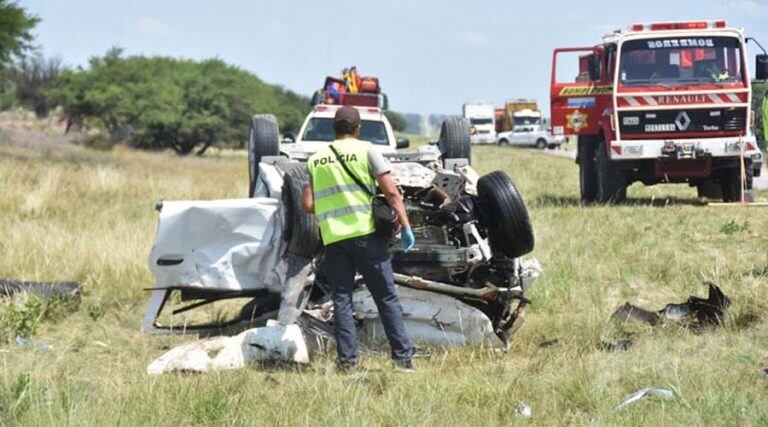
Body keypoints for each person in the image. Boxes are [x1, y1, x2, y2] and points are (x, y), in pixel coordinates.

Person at [302, 105, 416, 372]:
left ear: (333, 129)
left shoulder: (315, 159)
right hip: (366, 235)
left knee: (342, 299)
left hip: (334, 239)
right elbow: (392, 193)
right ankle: (402, 360)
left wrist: (334, 206)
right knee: (386, 297)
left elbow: (307, 205)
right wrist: (406, 227)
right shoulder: (367, 150)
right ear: (358, 128)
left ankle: (348, 363)